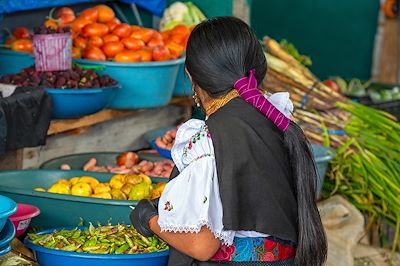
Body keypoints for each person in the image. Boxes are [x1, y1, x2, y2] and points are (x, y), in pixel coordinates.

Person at [130, 16, 327, 266]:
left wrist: (149, 219)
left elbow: (202, 246)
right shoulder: (275, 117)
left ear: (191, 76)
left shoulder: (209, 138)